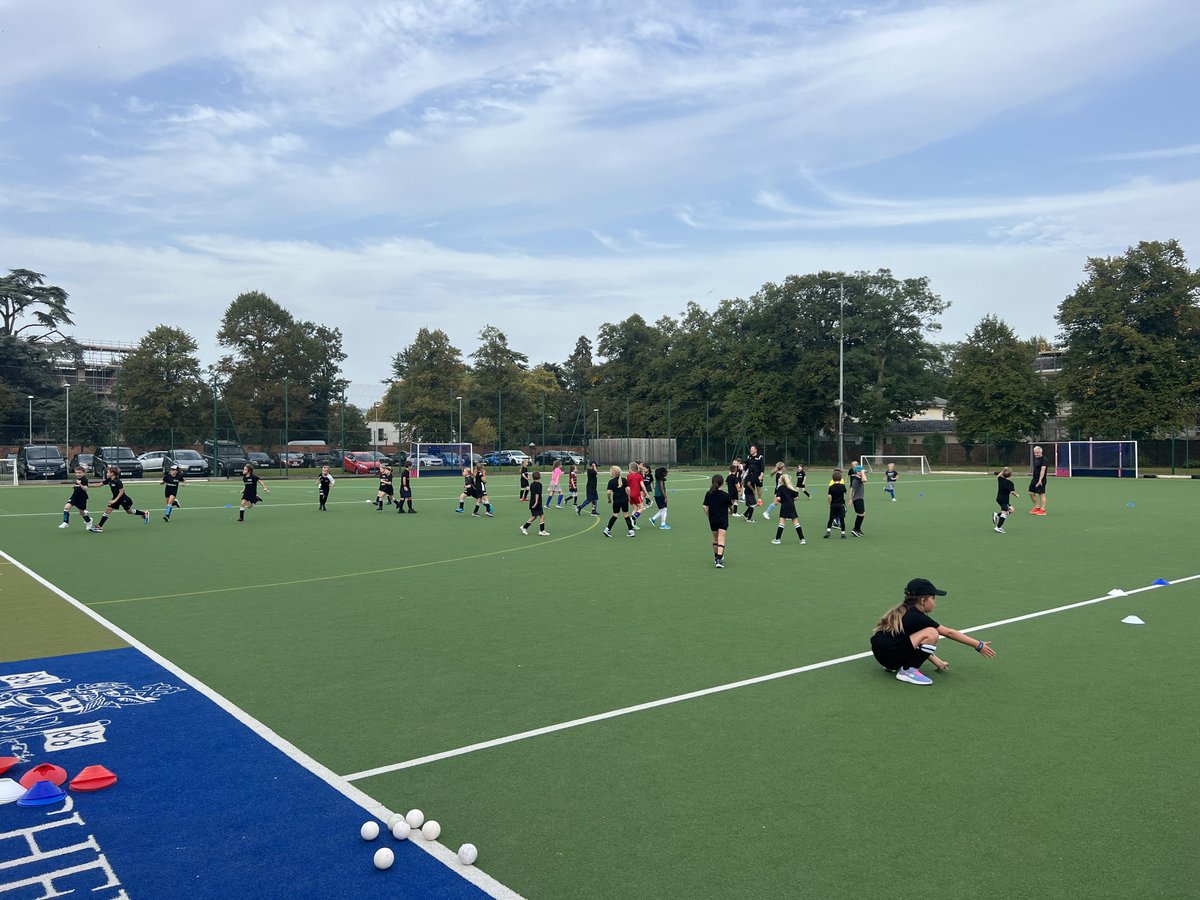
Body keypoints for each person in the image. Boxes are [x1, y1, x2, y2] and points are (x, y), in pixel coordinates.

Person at [870, 577, 997, 685]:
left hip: (883, 656)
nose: (935, 602)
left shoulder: (904, 610)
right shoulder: (917, 617)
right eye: (933, 598)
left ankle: (899, 666)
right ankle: (908, 671)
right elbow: (949, 633)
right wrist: (978, 645)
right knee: (932, 632)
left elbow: (913, 642)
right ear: (923, 600)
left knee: (924, 633)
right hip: (890, 657)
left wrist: (937, 661)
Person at [95, 466, 150, 531]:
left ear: (112, 473)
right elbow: (99, 484)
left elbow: (121, 491)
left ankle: (99, 527)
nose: (106, 473)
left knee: (108, 510)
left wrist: (115, 500)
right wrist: (86, 485)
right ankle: (144, 513)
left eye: (107, 472)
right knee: (129, 511)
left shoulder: (118, 481)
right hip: (117, 498)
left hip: (123, 499)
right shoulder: (109, 480)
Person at [703, 474, 732, 568]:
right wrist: (731, 511)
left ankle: (716, 557)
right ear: (722, 483)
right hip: (723, 520)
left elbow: (704, 506)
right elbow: (730, 506)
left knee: (715, 539)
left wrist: (709, 516)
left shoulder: (709, 494)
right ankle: (719, 559)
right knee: (721, 539)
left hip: (713, 520)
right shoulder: (725, 495)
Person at [770, 473, 806, 545]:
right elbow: (796, 498)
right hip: (792, 506)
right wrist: (790, 500)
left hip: (784, 506)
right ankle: (802, 539)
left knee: (782, 523)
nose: (779, 479)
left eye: (780, 478)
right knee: (796, 523)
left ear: (782, 480)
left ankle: (777, 539)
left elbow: (778, 498)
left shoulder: (780, 488)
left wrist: (783, 501)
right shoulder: (792, 488)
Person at [60, 466, 96, 532]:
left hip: (82, 498)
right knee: (66, 507)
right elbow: (78, 487)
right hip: (74, 497)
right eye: (76, 473)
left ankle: (89, 520)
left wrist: (80, 485)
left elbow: (86, 489)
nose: (78, 474)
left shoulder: (85, 479)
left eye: (80, 473)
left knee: (81, 513)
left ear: (84, 473)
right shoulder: (77, 479)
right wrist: (75, 486)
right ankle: (65, 522)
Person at [603, 465, 635, 538]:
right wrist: (629, 498)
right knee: (626, 515)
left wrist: (609, 499)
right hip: (624, 500)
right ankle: (631, 531)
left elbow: (608, 492)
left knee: (615, 515)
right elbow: (628, 490)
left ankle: (607, 529)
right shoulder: (624, 480)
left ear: (612, 473)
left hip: (616, 501)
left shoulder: (611, 481)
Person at [520, 471, 549, 535]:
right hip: (537, 502)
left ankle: (524, 527)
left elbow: (532, 491)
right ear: (540, 477)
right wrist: (536, 502)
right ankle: (541, 531)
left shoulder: (532, 484)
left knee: (534, 516)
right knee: (542, 516)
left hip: (532, 502)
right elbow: (537, 494)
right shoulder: (539, 485)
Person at [993, 467, 1019, 534]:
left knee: (1012, 509)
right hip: (1004, 500)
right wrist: (1016, 495)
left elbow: (999, 475)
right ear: (1010, 475)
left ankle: (997, 515)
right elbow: (1012, 491)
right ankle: (998, 527)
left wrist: (1003, 470)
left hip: (1000, 498)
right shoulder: (1010, 483)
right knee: (1004, 513)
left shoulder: (1000, 479)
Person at [825, 468, 847, 539]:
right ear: (840, 479)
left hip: (833, 505)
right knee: (842, 519)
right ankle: (843, 533)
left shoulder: (831, 487)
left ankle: (828, 531)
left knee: (831, 519)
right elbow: (845, 492)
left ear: (833, 479)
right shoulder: (842, 486)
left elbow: (829, 496)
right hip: (841, 505)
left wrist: (829, 504)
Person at [848, 460, 868, 537]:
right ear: (858, 472)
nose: (863, 472)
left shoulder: (857, 478)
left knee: (862, 513)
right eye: (861, 471)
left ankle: (858, 529)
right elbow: (853, 490)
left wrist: (862, 472)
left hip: (859, 498)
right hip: (857, 499)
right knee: (861, 514)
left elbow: (851, 489)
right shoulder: (857, 479)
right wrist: (851, 499)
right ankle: (855, 529)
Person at [626, 461, 646, 528]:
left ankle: (632, 524)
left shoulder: (628, 476)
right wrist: (646, 493)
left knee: (635, 508)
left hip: (630, 495)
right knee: (641, 508)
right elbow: (642, 486)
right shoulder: (639, 476)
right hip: (636, 494)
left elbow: (626, 487)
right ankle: (633, 518)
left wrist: (627, 496)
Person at [1029, 445, 1048, 515]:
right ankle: (1037, 507)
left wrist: (1040, 480)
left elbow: (1042, 470)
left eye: (1037, 453)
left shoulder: (1044, 460)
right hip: (1034, 479)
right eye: (1035, 453)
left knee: (1041, 494)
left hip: (1041, 480)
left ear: (1041, 452)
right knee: (1031, 492)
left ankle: (1042, 510)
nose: (1036, 454)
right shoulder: (1036, 459)